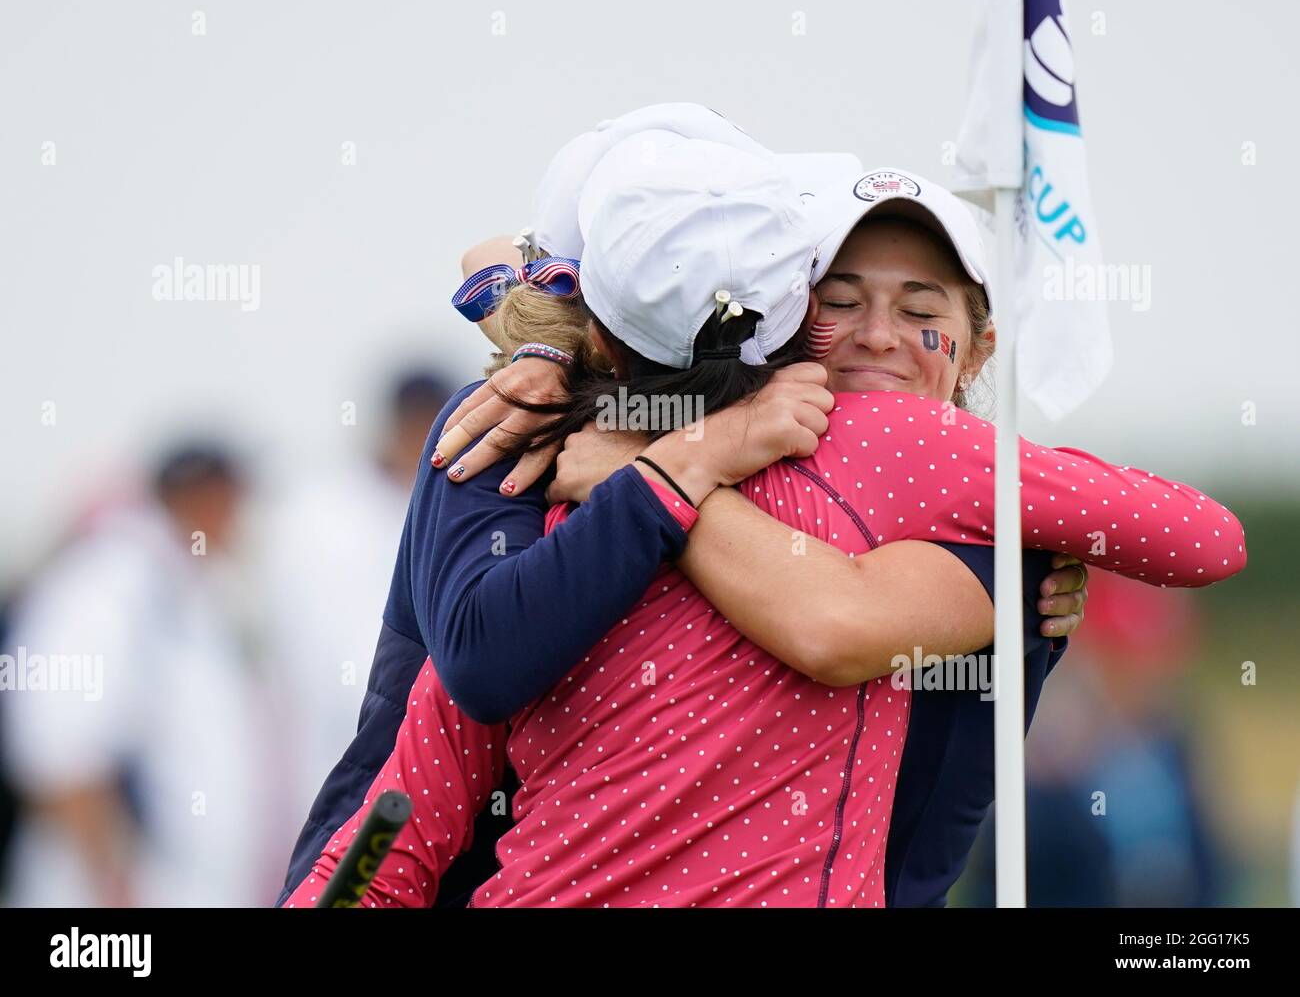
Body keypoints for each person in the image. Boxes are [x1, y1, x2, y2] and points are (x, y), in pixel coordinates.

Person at [281, 139, 1244, 906]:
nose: (877, 336)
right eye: (840, 302)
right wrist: (649, 459)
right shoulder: (551, 452)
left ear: (980, 344)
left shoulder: (582, 478)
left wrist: (655, 475)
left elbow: (388, 829)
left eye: (919, 308)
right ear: (782, 322)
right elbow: (412, 785)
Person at [3, 442, 270, 907]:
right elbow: (64, 756)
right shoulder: (107, 586)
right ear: (207, 497)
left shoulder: (190, 583)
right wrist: (114, 889)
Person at [259, 368, 452, 830]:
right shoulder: (322, 514)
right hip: (351, 759)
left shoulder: (452, 504)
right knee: (360, 867)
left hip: (437, 756)